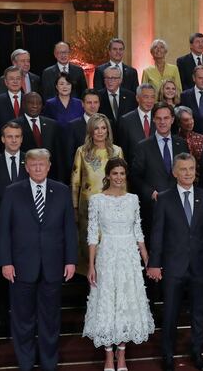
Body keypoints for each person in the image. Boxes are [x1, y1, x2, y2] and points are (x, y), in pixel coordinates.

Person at [0, 149, 78, 371]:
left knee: (50, 319)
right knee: (23, 319)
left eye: (42, 164)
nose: (38, 168)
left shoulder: (61, 191)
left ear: (49, 166)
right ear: (26, 167)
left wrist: (71, 260)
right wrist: (6, 262)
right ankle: (25, 363)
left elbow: (70, 229)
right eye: (34, 164)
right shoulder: (13, 192)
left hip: (53, 265)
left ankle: (49, 363)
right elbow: (3, 230)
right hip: (21, 266)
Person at [147, 153, 203, 371]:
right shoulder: (164, 198)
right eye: (183, 169)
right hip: (173, 265)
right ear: (175, 172)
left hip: (199, 264)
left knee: (199, 312)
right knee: (170, 313)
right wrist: (154, 263)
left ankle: (197, 352)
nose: (188, 173)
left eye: (191, 168)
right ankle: (167, 355)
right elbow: (157, 233)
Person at [83, 158, 154, 371]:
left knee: (125, 302)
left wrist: (146, 258)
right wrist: (91, 265)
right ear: (107, 176)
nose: (119, 177)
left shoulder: (133, 199)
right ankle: (107, 357)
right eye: (115, 173)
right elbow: (92, 235)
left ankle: (121, 356)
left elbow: (138, 231)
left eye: (122, 173)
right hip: (107, 255)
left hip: (129, 257)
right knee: (107, 302)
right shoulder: (97, 200)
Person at [0, 122, 29, 337]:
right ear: (2, 139)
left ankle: (23, 320)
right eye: (9, 136)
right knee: (3, 279)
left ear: (21, 138)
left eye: (17, 136)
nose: (13, 140)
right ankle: (2, 319)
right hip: (2, 229)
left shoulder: (31, 160)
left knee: (24, 277)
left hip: (27, 230)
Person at [71, 114, 124, 275]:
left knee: (110, 252)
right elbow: (75, 182)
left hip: (112, 208)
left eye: (103, 128)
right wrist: (74, 209)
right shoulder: (82, 151)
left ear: (108, 130)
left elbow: (122, 180)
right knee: (91, 252)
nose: (100, 132)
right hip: (88, 210)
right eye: (96, 128)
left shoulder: (116, 151)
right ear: (90, 131)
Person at [131, 102, 189, 238]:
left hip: (179, 205)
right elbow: (135, 177)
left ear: (173, 120)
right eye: (159, 118)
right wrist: (151, 193)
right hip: (153, 208)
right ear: (153, 119)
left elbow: (188, 172)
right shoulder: (143, 146)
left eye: (166, 118)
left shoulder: (181, 144)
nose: (162, 122)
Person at [12, 92, 62, 180]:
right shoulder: (15, 125)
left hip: (49, 176)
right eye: (31, 103)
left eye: (38, 103)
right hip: (24, 175)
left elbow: (58, 155)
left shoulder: (52, 124)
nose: (35, 106)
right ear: (23, 104)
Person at [116, 83, 156, 163]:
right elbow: (123, 150)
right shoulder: (126, 121)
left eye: (152, 97)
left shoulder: (160, 118)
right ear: (137, 98)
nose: (150, 101)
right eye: (146, 97)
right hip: (134, 169)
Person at [0, 66, 26, 147]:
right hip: (4, 148)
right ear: (6, 82)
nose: (15, 81)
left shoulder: (28, 100)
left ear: (22, 81)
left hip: (26, 148)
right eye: (11, 79)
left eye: (18, 78)